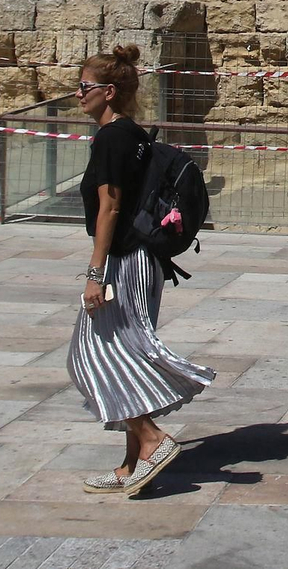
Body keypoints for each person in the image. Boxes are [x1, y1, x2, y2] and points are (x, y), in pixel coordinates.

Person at [67, 44, 214, 496]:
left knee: (90, 355)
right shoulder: (130, 133)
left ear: (108, 92)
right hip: (141, 260)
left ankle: (152, 439)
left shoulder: (112, 137)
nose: (78, 94)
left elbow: (110, 207)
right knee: (125, 348)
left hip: (125, 259)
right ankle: (132, 464)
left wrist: (95, 274)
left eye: (85, 87)